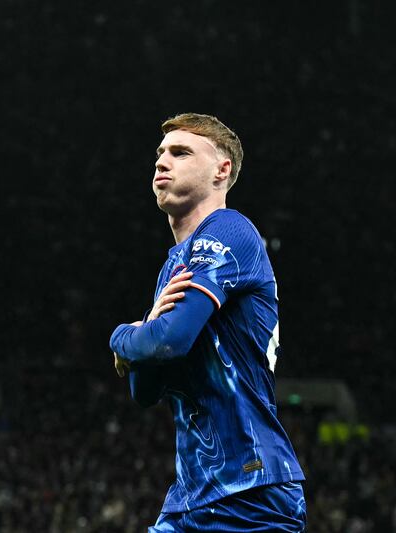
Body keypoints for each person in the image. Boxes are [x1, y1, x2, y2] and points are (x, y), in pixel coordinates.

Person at [109, 113, 306, 532]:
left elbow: (168, 342)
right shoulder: (172, 268)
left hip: (251, 493)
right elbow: (144, 389)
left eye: (180, 153)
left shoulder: (231, 231)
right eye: (161, 153)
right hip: (191, 496)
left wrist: (122, 336)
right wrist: (145, 340)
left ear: (222, 169)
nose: (162, 162)